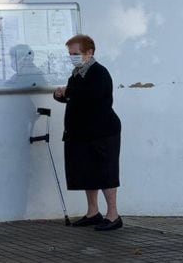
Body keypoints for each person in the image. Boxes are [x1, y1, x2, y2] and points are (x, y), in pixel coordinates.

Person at [53, 34, 123, 231]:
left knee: (106, 172)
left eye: (75, 53)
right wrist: (60, 94)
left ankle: (113, 215)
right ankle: (93, 212)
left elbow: (90, 97)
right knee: (87, 171)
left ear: (89, 52)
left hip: (102, 132)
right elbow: (75, 98)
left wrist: (68, 92)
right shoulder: (77, 72)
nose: (72, 57)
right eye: (70, 54)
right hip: (82, 133)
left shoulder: (99, 73)